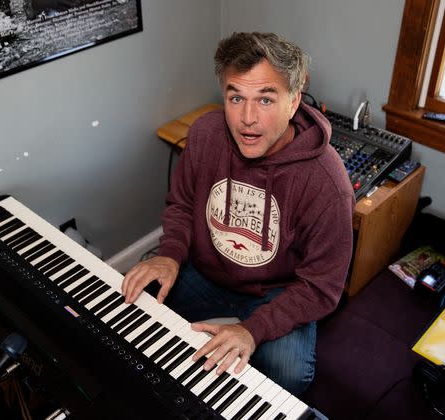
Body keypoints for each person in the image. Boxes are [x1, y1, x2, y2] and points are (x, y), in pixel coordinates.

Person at [122, 32, 354, 395]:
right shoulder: (203, 135)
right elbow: (182, 205)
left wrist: (252, 330)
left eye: (265, 99)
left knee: (289, 374)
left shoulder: (328, 184)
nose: (247, 118)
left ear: (293, 102)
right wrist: (169, 256)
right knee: (136, 300)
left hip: (278, 291)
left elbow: (322, 286)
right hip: (206, 271)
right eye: (236, 98)